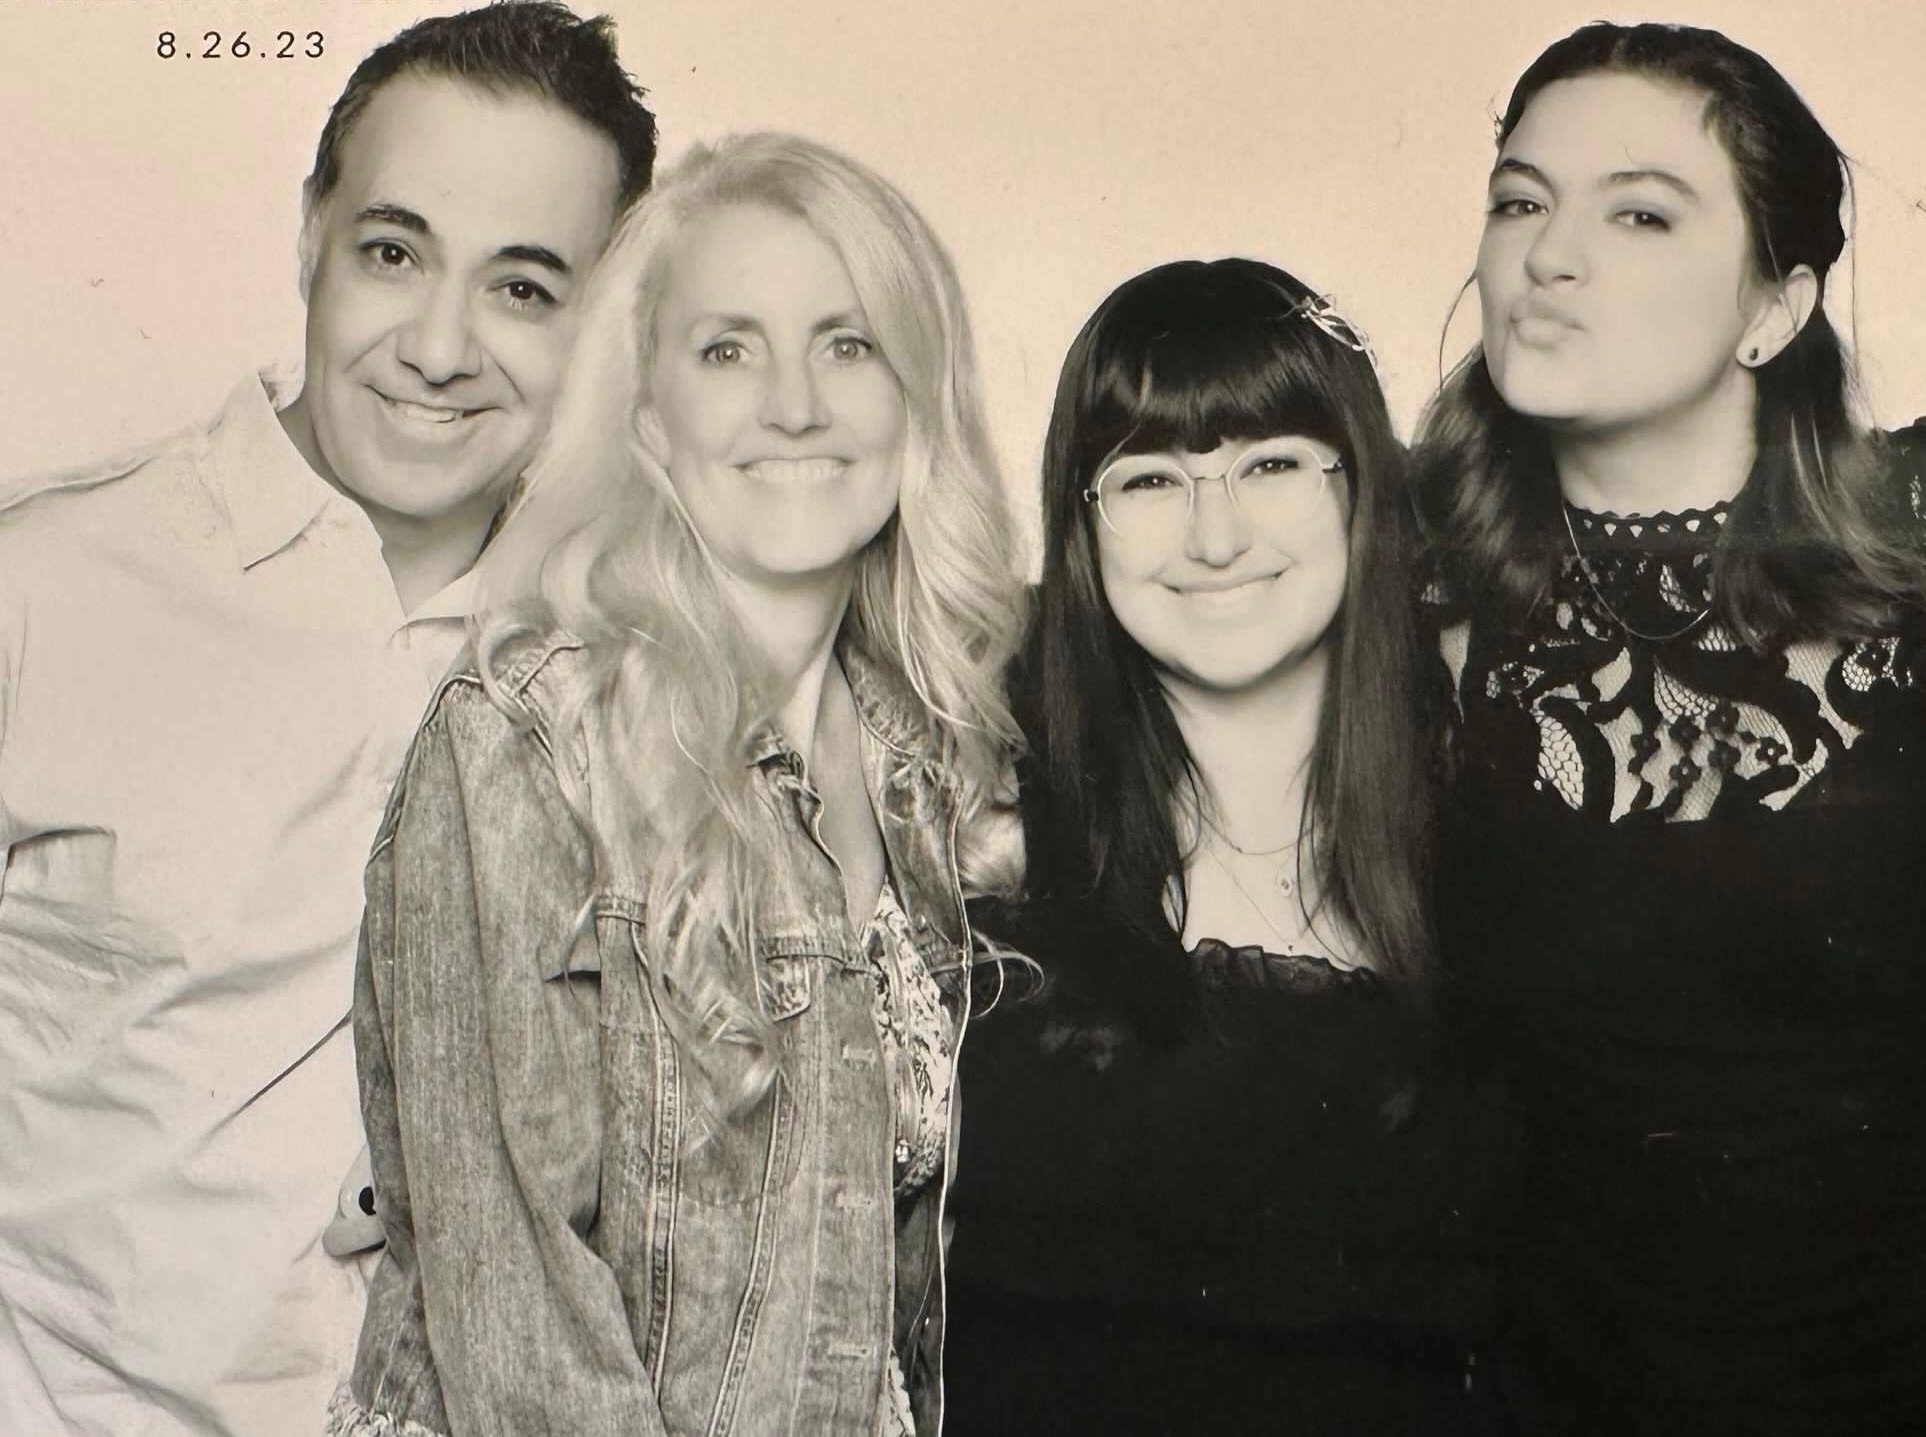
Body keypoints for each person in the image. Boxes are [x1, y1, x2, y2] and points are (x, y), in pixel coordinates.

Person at [0, 6, 656, 1433]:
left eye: (525, 289)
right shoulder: (37, 589)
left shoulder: (628, 657)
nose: (438, 345)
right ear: (310, 234)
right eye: (393, 251)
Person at [331, 131, 1025, 1437]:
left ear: (914, 401)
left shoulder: (920, 762)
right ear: (647, 416)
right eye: (727, 350)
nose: (795, 405)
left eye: (847, 343)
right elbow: (523, 1353)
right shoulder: (524, 746)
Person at [1415, 21, 1926, 1435]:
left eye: (1637, 212)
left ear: (1776, 307)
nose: (1547, 255)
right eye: (1520, 200)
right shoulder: (1407, 627)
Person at [943, 259, 1509, 1434]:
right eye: (1148, 477)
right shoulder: (977, 832)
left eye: (1269, 465)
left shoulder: (1505, 833)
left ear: (1362, 488)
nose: (1214, 534)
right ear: (1080, 525)